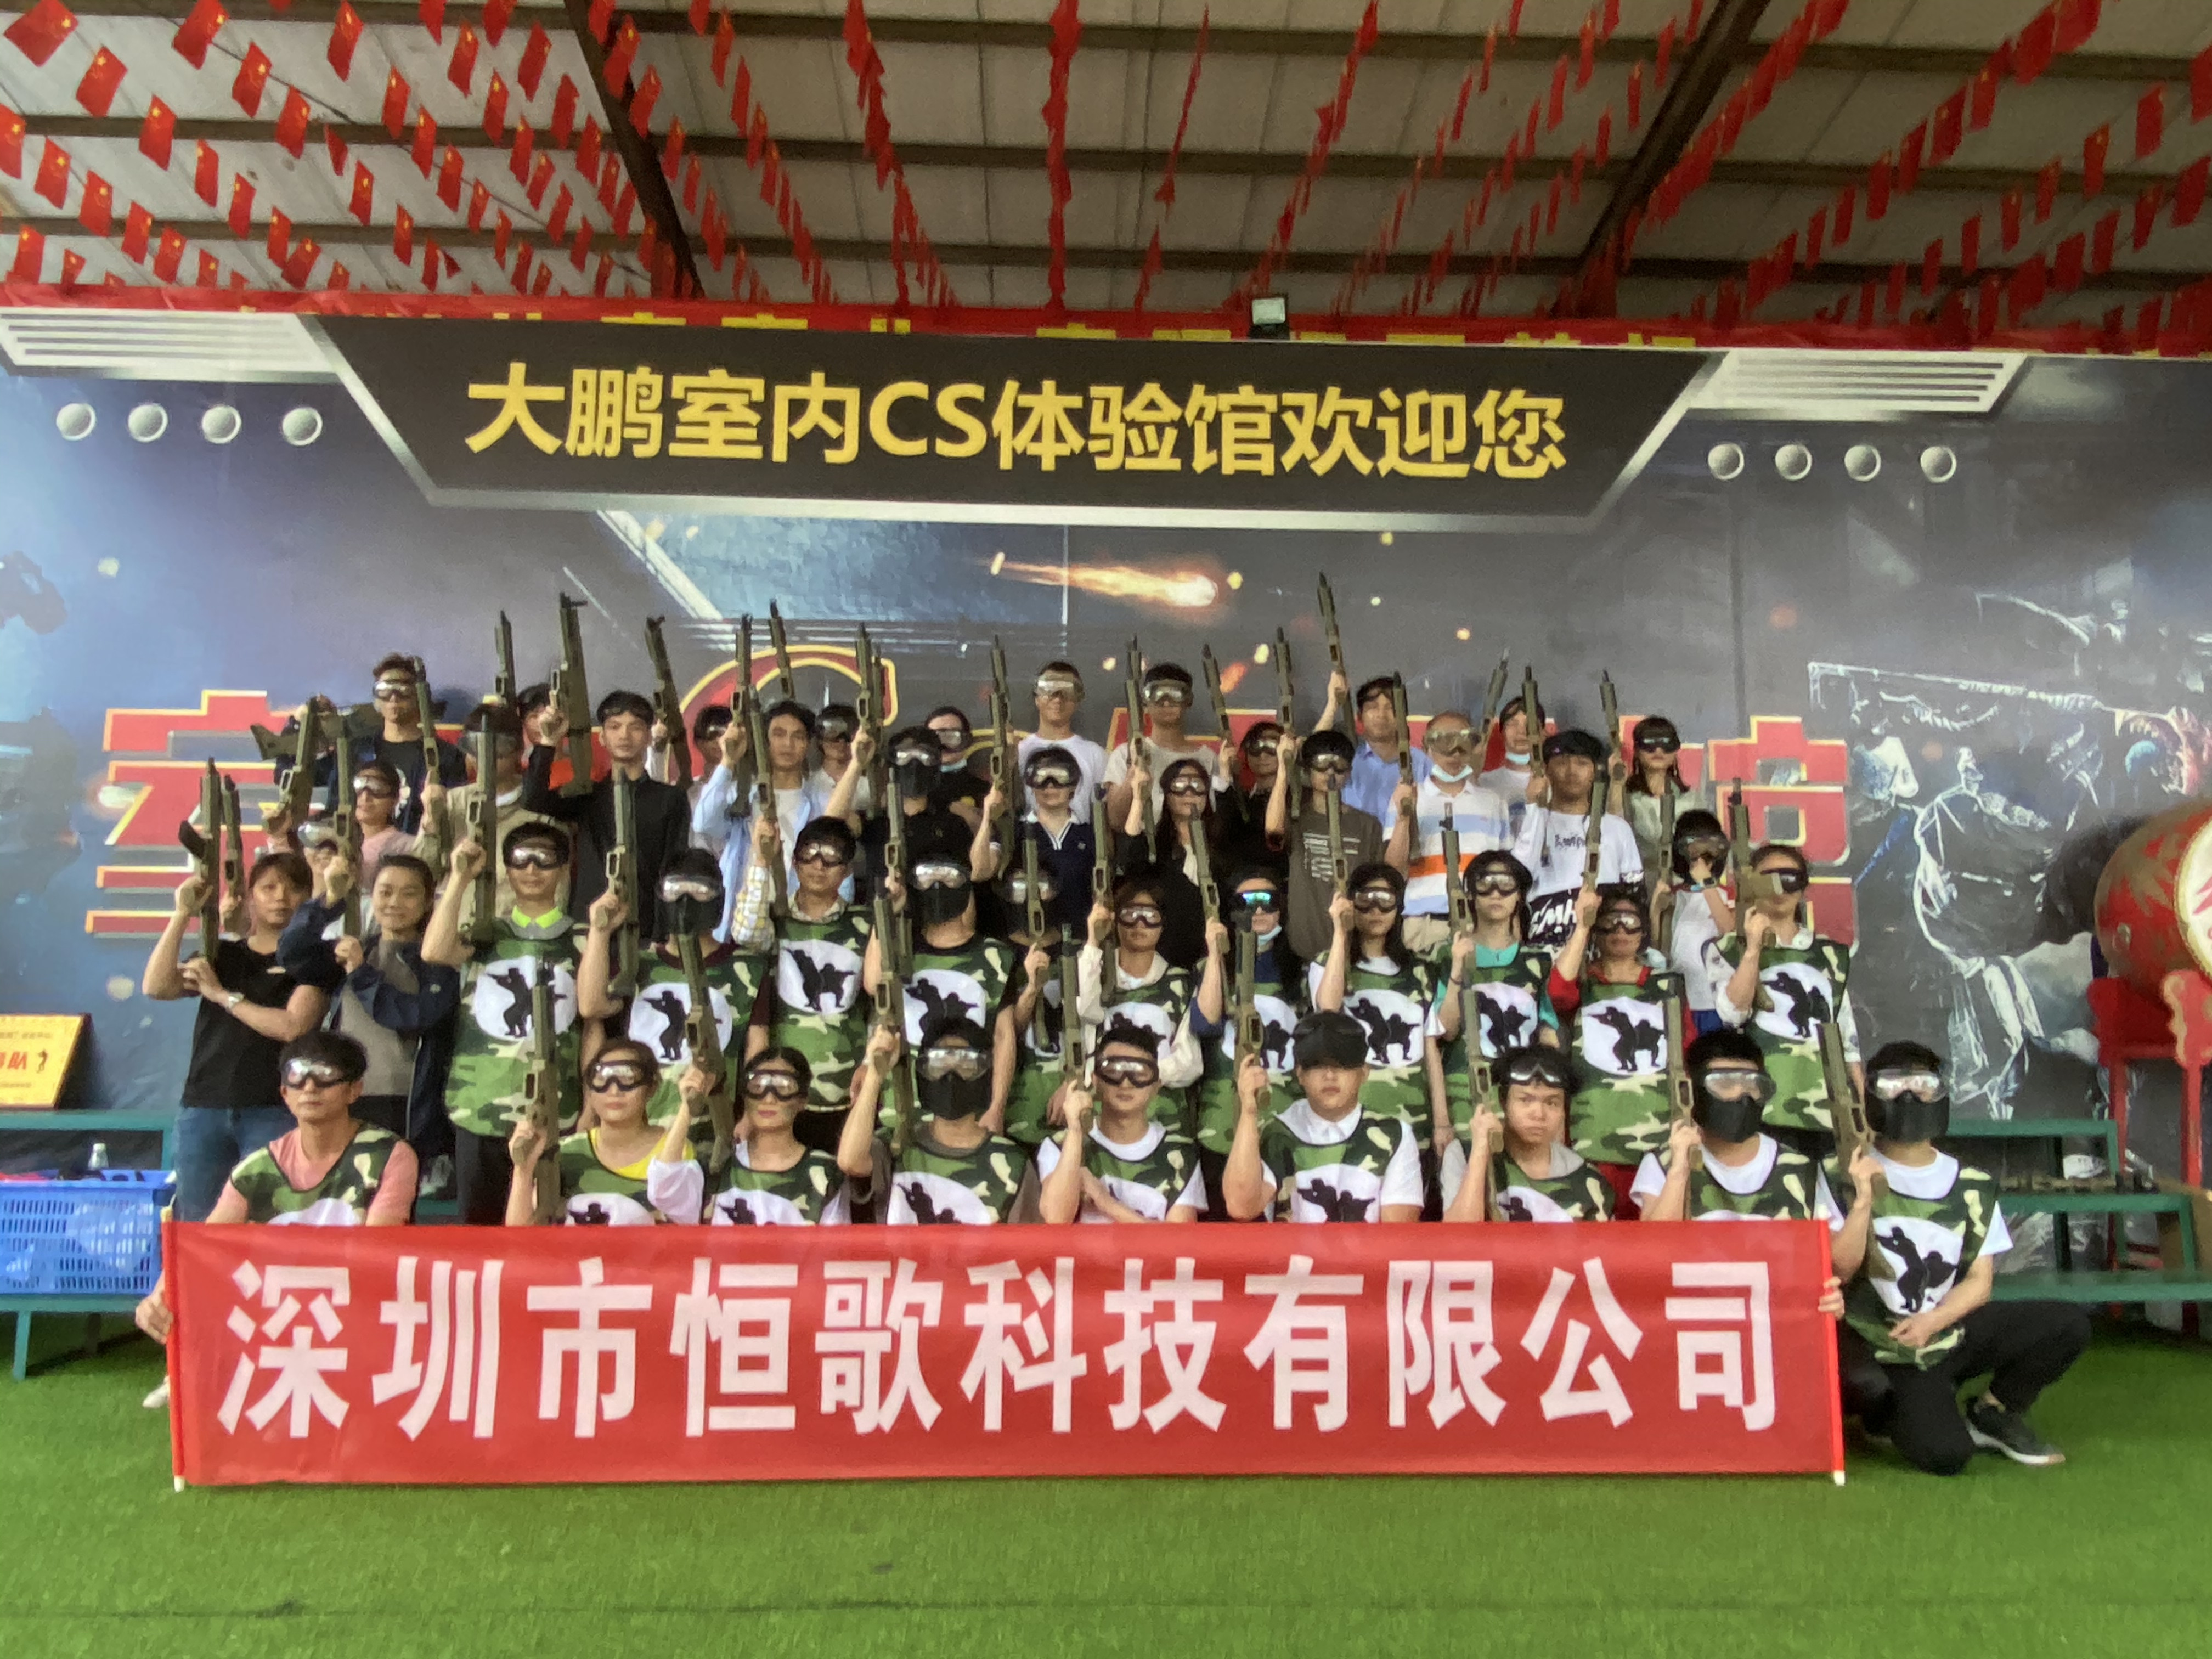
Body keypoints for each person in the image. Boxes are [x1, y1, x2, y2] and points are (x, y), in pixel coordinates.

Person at [1829, 1041, 2089, 1471]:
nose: (1910, 1097)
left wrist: (1935, 1321)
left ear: (1941, 1093)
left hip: (1943, 1330)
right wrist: (1861, 1202)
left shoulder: (1972, 1184)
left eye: (1923, 1085)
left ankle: (1994, 1411)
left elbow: (1980, 1281)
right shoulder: (1842, 1172)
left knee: (2066, 1324)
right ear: (1871, 1095)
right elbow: (1840, 1268)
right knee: (1946, 1455)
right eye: (1893, 1086)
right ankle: (1885, 1411)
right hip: (1882, 1343)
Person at [142, 851, 325, 1222]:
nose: (281, 897)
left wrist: (222, 996)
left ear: (308, 898)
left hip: (275, 1108)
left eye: (293, 889)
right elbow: (157, 987)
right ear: (250, 897)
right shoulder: (221, 954)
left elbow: (292, 1027)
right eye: (269, 888)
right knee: (198, 1219)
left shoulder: (315, 960)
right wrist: (182, 913)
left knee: (268, 1219)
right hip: (203, 1106)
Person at [421, 821, 589, 1225]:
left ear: (563, 869)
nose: (532, 869)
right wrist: (460, 878)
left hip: (556, 1107)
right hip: (479, 1102)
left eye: (544, 859)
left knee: (547, 1228)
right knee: (478, 1231)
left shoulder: (584, 938)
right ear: (508, 869)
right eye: (521, 859)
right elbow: (435, 951)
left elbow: (594, 1020)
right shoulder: (486, 932)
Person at [281, 851, 458, 1177]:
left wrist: (361, 974)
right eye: (385, 892)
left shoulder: (437, 962)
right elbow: (292, 953)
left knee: (394, 1196)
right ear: (371, 896)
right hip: (344, 1096)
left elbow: (414, 1016)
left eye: (409, 894)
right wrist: (329, 900)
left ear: (427, 903)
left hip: (404, 1104)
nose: (395, 903)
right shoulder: (357, 949)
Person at [577, 845, 771, 1138]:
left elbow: (758, 1051)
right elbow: (591, 1007)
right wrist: (600, 931)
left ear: (718, 898)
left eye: (700, 891)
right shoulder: (637, 963)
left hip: (712, 1131)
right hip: (636, 1127)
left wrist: (751, 1115)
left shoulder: (748, 967)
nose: (685, 901)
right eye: (675, 890)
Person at [1706, 840, 1857, 1154]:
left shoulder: (1830, 953)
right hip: (1759, 1107)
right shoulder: (1726, 949)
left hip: (1826, 1109)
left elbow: (1848, 1042)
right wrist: (1753, 949)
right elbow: (1732, 1013)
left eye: (1791, 879)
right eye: (1770, 879)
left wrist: (1861, 1116)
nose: (1781, 889)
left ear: (1803, 887)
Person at [742, 816, 873, 1152]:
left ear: (847, 870)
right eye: (810, 853)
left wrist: (871, 1066)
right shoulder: (774, 919)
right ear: (794, 861)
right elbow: (746, 934)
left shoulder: (865, 923)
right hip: (779, 1091)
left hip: (846, 1089)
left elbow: (880, 1003)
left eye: (832, 856)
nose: (819, 865)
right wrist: (761, 859)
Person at [1222, 1009, 1423, 1223]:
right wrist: (1249, 1113)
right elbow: (1241, 1207)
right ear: (1300, 1074)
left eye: (1342, 1064)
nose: (1329, 1075)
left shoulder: (1394, 1134)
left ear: (1364, 1072)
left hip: (1366, 1246)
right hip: (1294, 1246)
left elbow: (1398, 1229)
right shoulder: (1278, 1132)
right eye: (1317, 1065)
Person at [864, 853, 1019, 1127]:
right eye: (927, 878)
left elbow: (1004, 1037)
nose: (938, 887)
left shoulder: (997, 956)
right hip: (901, 1106)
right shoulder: (901, 949)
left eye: (949, 878)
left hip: (970, 1113)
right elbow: (874, 984)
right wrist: (886, 914)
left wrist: (996, 1108)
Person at [523, 688, 693, 938]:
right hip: (588, 927)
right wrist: (548, 742)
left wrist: (663, 935)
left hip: (645, 931)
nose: (624, 735)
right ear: (602, 737)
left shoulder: (671, 799)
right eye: (614, 727)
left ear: (649, 736)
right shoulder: (586, 795)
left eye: (635, 727)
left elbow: (673, 868)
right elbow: (534, 800)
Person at [1631, 1029, 1846, 1225]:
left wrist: (1861, 1205)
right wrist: (1679, 1170)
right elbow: (1655, 1245)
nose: (1741, 1095)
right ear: (1693, 1090)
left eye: (1752, 1084)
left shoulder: (1801, 1168)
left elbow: (1835, 1254)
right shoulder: (1663, 1162)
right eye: (1725, 1084)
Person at [840, 1015, 1037, 1223]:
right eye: (939, 1062)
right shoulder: (897, 1144)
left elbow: (1031, 1240)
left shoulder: (1013, 1163)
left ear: (984, 1072)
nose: (951, 1074)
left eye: (965, 1063)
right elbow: (849, 1161)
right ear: (923, 1072)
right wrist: (875, 1072)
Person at [1549, 886, 1672, 1215]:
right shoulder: (1584, 981)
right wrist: (1583, 925)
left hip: (1658, 1142)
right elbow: (1557, 995)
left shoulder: (1667, 985)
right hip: (1592, 1137)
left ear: (1643, 931)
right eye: (1610, 921)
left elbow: (1685, 1051)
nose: (1620, 931)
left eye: (1630, 922)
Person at [1189, 869, 1305, 1217]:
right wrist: (1215, 955)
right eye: (1246, 902)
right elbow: (1204, 1023)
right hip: (1223, 1123)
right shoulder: (1210, 967)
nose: (1258, 910)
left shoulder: (1300, 970)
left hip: (1286, 1123)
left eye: (1268, 901)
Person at [1310, 864, 1446, 1145]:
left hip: (1412, 1118)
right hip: (1350, 1121)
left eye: (1386, 900)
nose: (1376, 910)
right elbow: (1328, 1008)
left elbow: (1431, 1050)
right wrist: (1340, 932)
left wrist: (1442, 1122)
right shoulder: (1328, 963)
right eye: (1366, 899)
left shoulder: (1418, 971)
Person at [1434, 850, 1561, 1143]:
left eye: (1506, 885)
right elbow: (1446, 1030)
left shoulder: (1538, 961)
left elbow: (1548, 1037)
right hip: (1464, 1094)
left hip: (1523, 1096)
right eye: (1485, 883)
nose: (1496, 893)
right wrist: (1457, 970)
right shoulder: (1445, 954)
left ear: (1519, 896)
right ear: (1471, 895)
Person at [647, 1049, 852, 1224]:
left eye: (784, 1086)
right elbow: (663, 1191)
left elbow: (835, 1249)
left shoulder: (824, 1173)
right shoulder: (717, 1165)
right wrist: (687, 1106)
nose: (769, 1098)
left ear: (802, 1100)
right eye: (757, 1085)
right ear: (745, 1096)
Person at [1035, 1023, 1206, 1223]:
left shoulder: (1180, 1156)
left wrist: (1105, 1202)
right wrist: (1074, 1131)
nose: (1126, 1083)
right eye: (1114, 1071)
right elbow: (1056, 1218)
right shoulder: (1060, 1145)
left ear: (1156, 1086)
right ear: (1095, 1080)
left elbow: (1180, 1241)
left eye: (1139, 1073)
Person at [693, 698, 837, 935]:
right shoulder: (742, 795)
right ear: (764, 741)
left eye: (798, 736)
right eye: (778, 734)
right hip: (740, 920)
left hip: (799, 924)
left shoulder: (821, 799)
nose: (788, 744)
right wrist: (728, 761)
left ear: (808, 744)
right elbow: (703, 823)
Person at [506, 1037, 678, 1224]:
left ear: (651, 1087)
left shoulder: (676, 1152)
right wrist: (523, 1170)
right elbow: (519, 1234)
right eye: (602, 1078)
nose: (614, 1091)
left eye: (627, 1078)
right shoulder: (566, 1154)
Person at [1441, 1045, 1615, 1222]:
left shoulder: (1588, 1181)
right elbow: (1458, 1233)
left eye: (1551, 1103)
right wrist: (1480, 1153)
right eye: (1525, 1100)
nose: (1539, 1114)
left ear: (1564, 1110)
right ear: (1503, 1101)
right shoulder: (1464, 1154)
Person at [1076, 872, 1201, 1110]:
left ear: (1163, 924)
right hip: (1102, 1112)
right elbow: (1084, 1011)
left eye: (1151, 916)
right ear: (1116, 920)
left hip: (1163, 1114)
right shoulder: (1093, 970)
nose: (1140, 924)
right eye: (1130, 914)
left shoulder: (1181, 983)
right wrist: (1093, 941)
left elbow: (1190, 1062)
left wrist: (1138, 1074)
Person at [1511, 729, 1644, 950]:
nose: (1572, 771)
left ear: (1596, 771)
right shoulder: (1528, 821)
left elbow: (1635, 894)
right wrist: (1533, 806)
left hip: (1604, 944)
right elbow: (1518, 880)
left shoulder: (1617, 828)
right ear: (1546, 770)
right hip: (1544, 943)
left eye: (1582, 763)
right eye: (1562, 763)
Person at [1267, 727, 1390, 963]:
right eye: (1321, 765)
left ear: (1349, 772)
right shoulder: (1296, 820)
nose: (1330, 772)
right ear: (1307, 771)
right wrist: (1283, 769)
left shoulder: (1368, 825)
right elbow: (1273, 830)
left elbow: (1376, 883)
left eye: (1339, 766)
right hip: (1303, 946)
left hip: (1355, 946)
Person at [309, 654, 467, 833]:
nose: (394, 697)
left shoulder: (446, 756)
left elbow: (456, 817)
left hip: (418, 847)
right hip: (358, 846)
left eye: (403, 689)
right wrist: (305, 725)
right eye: (384, 689)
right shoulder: (355, 752)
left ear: (419, 696)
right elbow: (330, 802)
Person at [435, 703, 556, 927]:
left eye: (498, 747)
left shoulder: (540, 811)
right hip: (455, 929)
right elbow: (424, 873)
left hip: (515, 934)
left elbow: (555, 893)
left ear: (518, 750)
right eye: (475, 747)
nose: (486, 757)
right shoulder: (452, 803)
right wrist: (429, 823)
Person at [1403, 709, 1511, 952]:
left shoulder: (1493, 801)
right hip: (1426, 923)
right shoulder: (1408, 798)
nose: (1454, 753)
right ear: (1427, 746)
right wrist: (1403, 816)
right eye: (1444, 741)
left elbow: (1506, 871)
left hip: (1482, 923)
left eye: (1463, 742)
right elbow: (1394, 868)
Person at [838, 725, 975, 900]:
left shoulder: (953, 825)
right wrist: (857, 764)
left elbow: (965, 885)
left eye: (925, 757)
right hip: (883, 916)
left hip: (934, 916)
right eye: (905, 757)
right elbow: (830, 825)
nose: (914, 766)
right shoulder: (876, 822)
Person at [1116, 754, 1224, 972]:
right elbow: (1128, 862)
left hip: (1214, 954)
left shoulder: (1223, 844)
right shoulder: (1156, 847)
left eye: (1197, 785)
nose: (1189, 793)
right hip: (1168, 956)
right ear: (1167, 794)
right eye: (1180, 786)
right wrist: (1138, 799)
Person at [997, 865, 1073, 1154]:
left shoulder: (1079, 951)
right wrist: (1031, 989)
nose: (1031, 897)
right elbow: (1006, 1032)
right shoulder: (998, 955)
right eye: (1020, 889)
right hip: (1018, 1112)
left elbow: (1097, 1027)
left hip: (1071, 1106)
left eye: (1041, 888)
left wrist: (1074, 1082)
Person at [1103, 661, 1217, 829]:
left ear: (1188, 700)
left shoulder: (1208, 758)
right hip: (1141, 842)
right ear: (1145, 701)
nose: (1166, 703)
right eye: (1157, 694)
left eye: (1175, 694)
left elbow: (1216, 821)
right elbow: (1115, 821)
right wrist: (1134, 770)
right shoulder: (1124, 754)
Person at [1656, 808, 1734, 1034]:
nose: (1702, 857)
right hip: (1680, 1001)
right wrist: (1655, 911)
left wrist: (1707, 885)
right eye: (1694, 850)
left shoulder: (1728, 895)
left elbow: (1729, 932)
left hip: (1717, 1002)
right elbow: (1658, 951)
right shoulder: (1673, 896)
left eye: (1711, 848)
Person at [1008, 744, 1098, 938]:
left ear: (1074, 784)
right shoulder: (1016, 833)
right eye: (1041, 777)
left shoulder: (1090, 835)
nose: (1050, 786)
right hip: (1028, 941)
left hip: (1080, 939)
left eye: (1060, 776)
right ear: (1031, 784)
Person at [1018, 661, 1107, 822]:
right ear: (1037, 698)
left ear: (1078, 700)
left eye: (1067, 692)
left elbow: (1103, 817)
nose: (1058, 699)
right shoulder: (1019, 751)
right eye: (1049, 690)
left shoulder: (1095, 754)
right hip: (1028, 835)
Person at [1340, 674, 1432, 823]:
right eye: (1373, 708)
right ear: (1360, 716)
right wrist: (1332, 705)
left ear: (1403, 715)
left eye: (1390, 708)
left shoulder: (1422, 763)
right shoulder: (1347, 761)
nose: (1381, 715)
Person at [1621, 715, 1700, 877]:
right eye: (1649, 743)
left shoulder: (1693, 801)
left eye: (1666, 743)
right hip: (1636, 882)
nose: (1658, 751)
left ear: (1676, 749)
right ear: (1637, 750)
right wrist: (1617, 784)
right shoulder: (1625, 798)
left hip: (1682, 883)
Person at [349, 760, 438, 890]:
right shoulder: (338, 839)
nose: (365, 797)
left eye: (377, 788)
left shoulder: (407, 846)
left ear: (395, 799)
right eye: (359, 787)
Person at [1477, 691, 1545, 840]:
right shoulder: (1482, 783)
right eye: (1513, 724)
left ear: (1543, 733)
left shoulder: (1556, 783)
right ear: (1502, 732)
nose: (1521, 732)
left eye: (1530, 725)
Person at [922, 704, 990, 824]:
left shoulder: (984, 792)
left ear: (967, 740)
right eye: (935, 739)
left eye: (952, 738)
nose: (943, 745)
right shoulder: (914, 789)